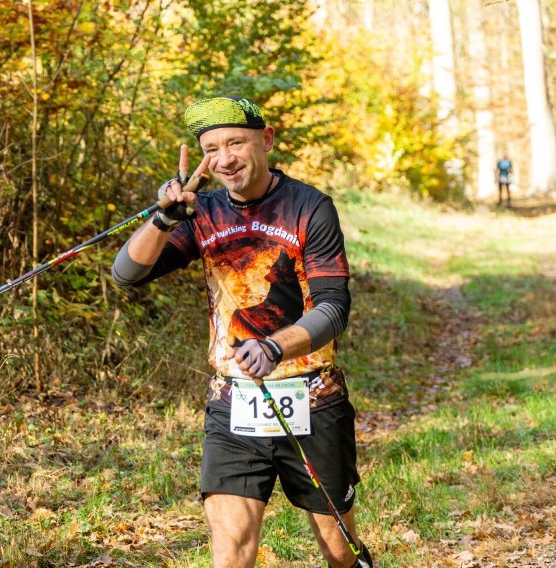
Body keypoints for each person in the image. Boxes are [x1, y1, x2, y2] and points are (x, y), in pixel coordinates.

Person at [111, 96, 372, 568]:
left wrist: (275, 345)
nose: (225, 158)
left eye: (236, 143)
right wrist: (165, 216)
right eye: (212, 149)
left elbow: (334, 307)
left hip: (311, 399)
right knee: (230, 550)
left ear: (266, 139)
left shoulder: (309, 207)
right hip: (233, 401)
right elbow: (128, 273)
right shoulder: (202, 212)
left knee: (339, 551)